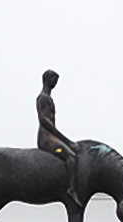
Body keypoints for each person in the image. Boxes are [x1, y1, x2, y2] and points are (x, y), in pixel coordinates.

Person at [37, 69, 81, 206]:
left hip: (51, 136)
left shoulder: (49, 98)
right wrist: (66, 141)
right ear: (46, 80)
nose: (55, 82)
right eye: (53, 79)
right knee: (71, 157)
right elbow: (45, 121)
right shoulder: (43, 98)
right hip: (46, 138)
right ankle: (71, 189)